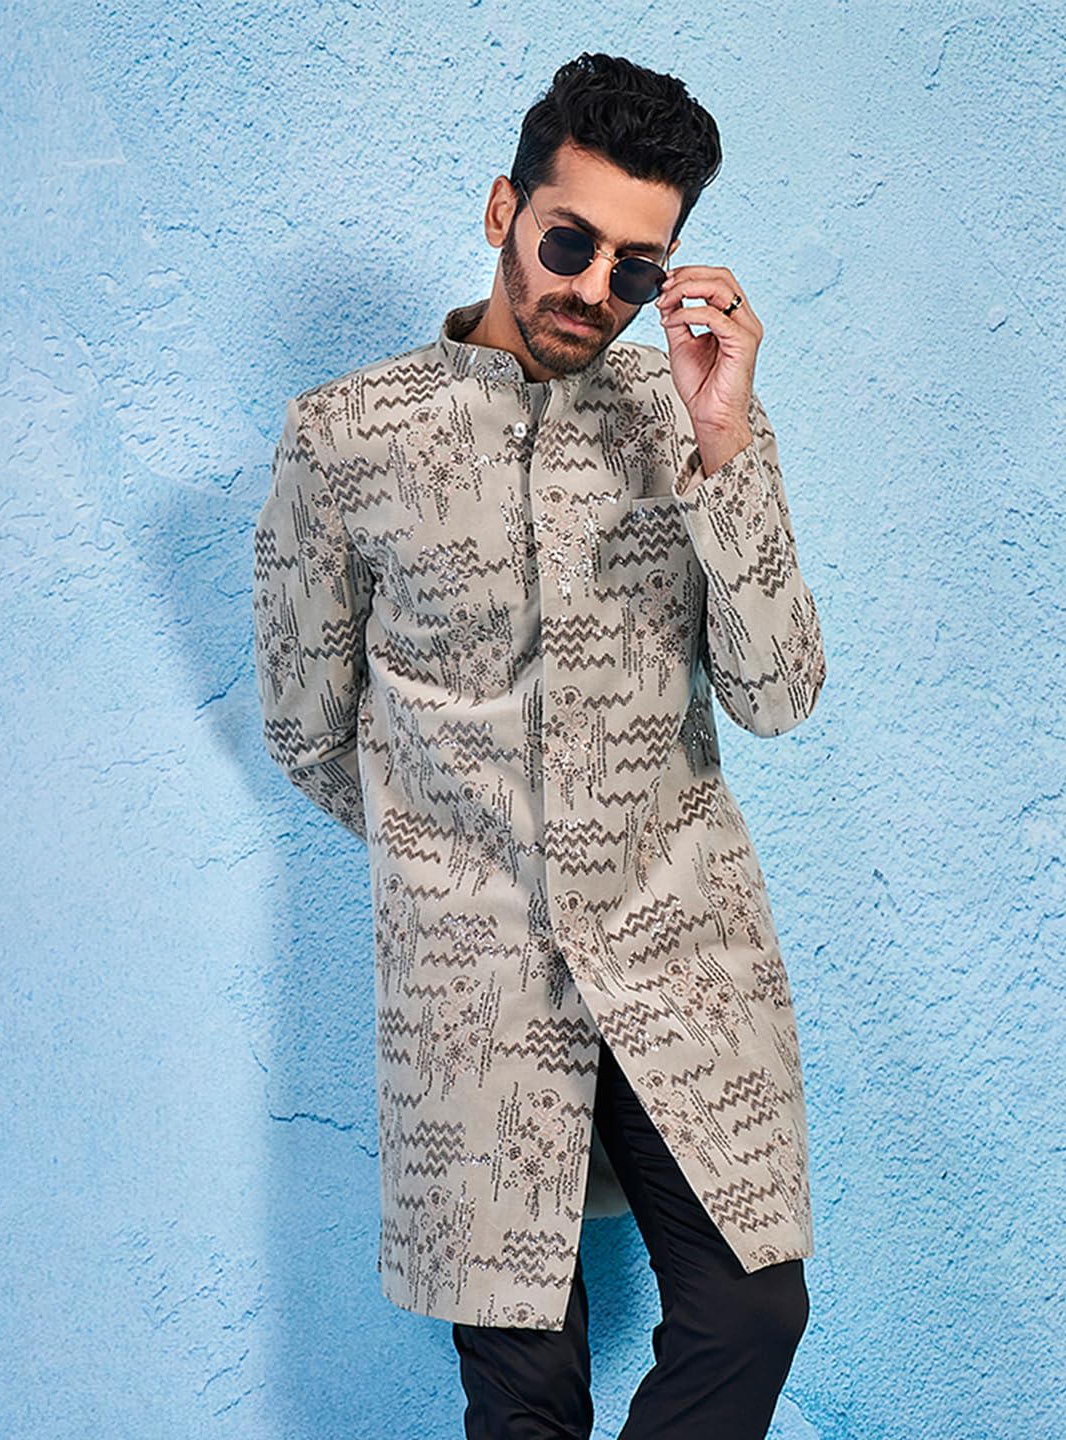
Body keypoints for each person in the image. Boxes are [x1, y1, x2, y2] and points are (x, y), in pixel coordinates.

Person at [253, 50, 826, 1440]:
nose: (592, 288)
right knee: (521, 1396)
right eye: (570, 242)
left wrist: (725, 438)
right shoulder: (345, 437)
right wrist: (451, 853)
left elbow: (776, 693)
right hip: (474, 990)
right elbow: (306, 725)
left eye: (637, 267)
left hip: (682, 957)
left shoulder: (690, 422)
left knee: (753, 1311)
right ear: (505, 208)